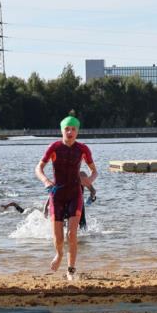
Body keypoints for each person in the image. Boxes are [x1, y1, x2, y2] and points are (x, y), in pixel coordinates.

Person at [34, 114, 98, 281]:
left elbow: (94, 171)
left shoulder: (83, 149)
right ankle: (59, 254)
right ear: (62, 131)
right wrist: (46, 181)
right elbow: (38, 168)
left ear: (77, 132)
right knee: (58, 237)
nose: (70, 132)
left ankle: (71, 269)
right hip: (57, 194)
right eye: (67, 129)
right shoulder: (54, 147)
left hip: (75, 194)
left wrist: (88, 181)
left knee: (72, 234)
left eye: (73, 129)